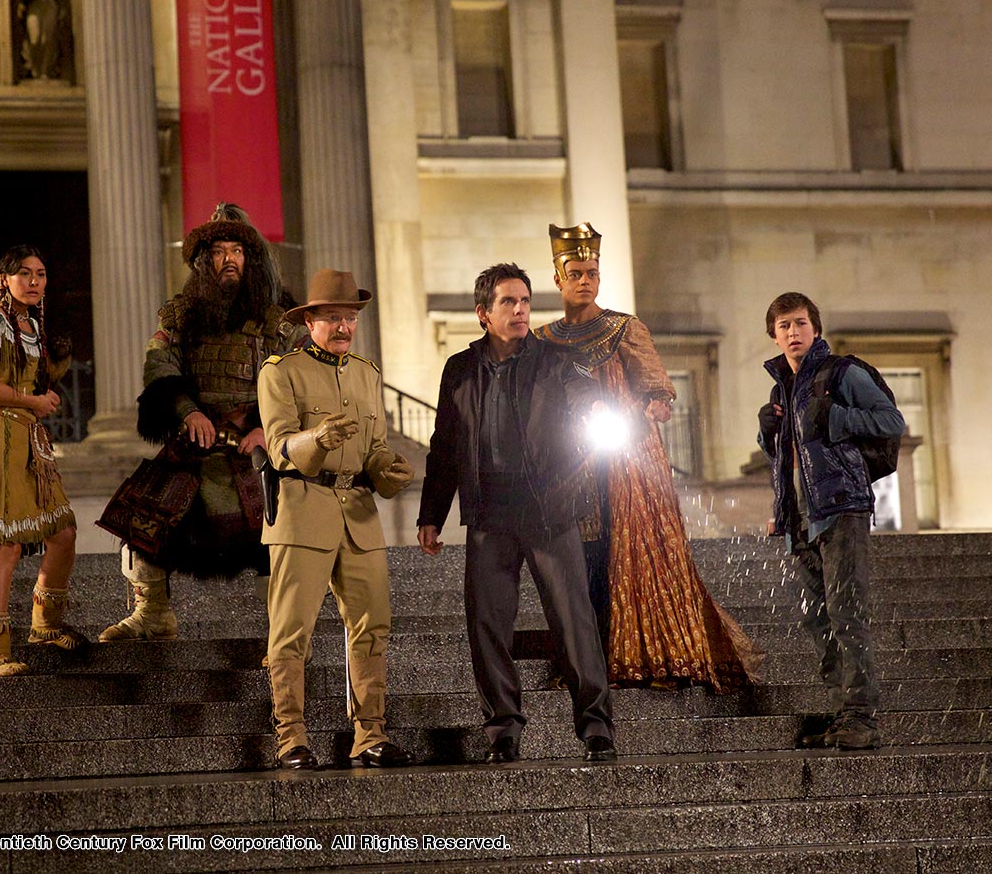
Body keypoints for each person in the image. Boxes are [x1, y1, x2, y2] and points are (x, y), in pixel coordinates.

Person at [537, 222, 762, 692]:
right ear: (558, 279)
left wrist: (655, 403)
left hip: (623, 461)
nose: (585, 281)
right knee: (578, 562)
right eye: (575, 273)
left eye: (592, 273)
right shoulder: (542, 340)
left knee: (625, 552)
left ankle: (647, 654)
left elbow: (657, 386)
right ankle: (582, 660)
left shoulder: (624, 328)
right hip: (565, 463)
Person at [417, 263, 616, 765]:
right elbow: (445, 446)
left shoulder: (556, 359)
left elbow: (584, 394)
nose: (521, 309)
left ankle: (597, 729)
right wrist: (430, 514)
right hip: (489, 514)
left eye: (525, 300)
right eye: (508, 301)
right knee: (487, 627)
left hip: (550, 510)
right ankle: (503, 731)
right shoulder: (460, 369)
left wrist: (595, 408)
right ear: (483, 313)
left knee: (575, 623)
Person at [99, 204, 299, 642]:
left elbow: (301, 378)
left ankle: (284, 634)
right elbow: (159, 363)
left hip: (258, 451)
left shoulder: (280, 319)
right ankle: (153, 614)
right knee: (142, 518)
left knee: (280, 536)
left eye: (237, 251)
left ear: (251, 258)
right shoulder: (180, 315)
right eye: (219, 251)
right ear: (204, 261)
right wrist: (187, 410)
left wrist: (269, 428)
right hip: (198, 447)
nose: (229, 260)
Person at [258, 269, 416, 770]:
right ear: (310, 322)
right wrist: (317, 440)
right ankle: (291, 738)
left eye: (350, 317)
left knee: (373, 626)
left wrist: (387, 469)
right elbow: (280, 447)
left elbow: (374, 447)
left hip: (359, 514)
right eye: (332, 318)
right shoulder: (281, 371)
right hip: (302, 508)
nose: (344, 326)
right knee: (291, 630)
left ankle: (369, 735)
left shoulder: (367, 372)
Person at [759, 292, 904, 751]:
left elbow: (891, 421)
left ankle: (861, 716)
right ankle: (844, 713)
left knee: (846, 613)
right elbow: (789, 455)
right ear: (774, 335)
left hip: (841, 507)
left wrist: (837, 415)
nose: (793, 332)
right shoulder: (782, 389)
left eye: (800, 323)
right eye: (784, 325)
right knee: (818, 620)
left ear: (815, 328)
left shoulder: (842, 373)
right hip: (800, 518)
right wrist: (766, 433)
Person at [0, 245, 84, 677]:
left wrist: (53, 370)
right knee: (5, 546)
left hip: (28, 437)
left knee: (63, 533)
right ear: (4, 280)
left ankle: (45, 626)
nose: (34, 281)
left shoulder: (33, 325)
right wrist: (35, 401)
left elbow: (32, 381)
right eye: (24, 273)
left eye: (41, 274)